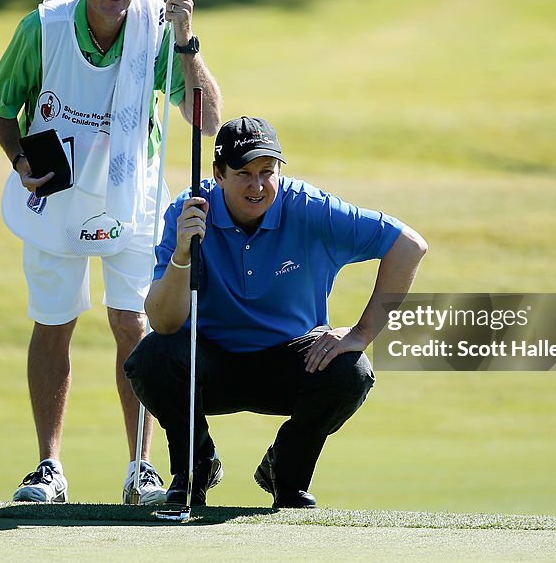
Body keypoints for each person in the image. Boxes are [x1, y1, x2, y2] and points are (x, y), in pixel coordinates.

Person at [0, 0, 222, 505]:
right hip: (53, 199)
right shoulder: (44, 26)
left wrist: (188, 43)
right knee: (53, 322)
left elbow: (207, 119)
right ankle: (48, 467)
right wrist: (19, 159)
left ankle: (140, 467)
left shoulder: (157, 27)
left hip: (131, 198)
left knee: (132, 327)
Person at [125, 117, 427, 508]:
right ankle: (194, 469)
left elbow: (408, 246)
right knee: (152, 358)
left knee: (350, 370)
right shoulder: (188, 213)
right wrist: (183, 253)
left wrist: (361, 333)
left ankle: (287, 474)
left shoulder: (308, 208)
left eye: (268, 172)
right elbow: (164, 322)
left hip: (290, 362)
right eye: (244, 173)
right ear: (218, 174)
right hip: (210, 364)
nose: (258, 186)